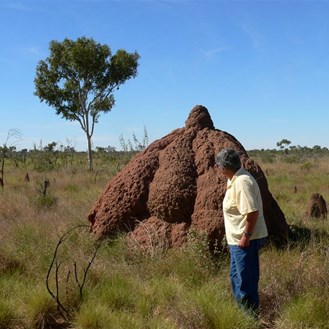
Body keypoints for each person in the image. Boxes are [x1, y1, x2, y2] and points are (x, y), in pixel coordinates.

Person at [215, 148, 268, 316]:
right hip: (237, 241)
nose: (217, 168)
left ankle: (251, 319)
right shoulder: (234, 180)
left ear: (224, 167)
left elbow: (252, 212)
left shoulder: (242, 182)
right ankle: (243, 315)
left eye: (218, 165)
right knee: (236, 278)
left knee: (246, 282)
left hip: (245, 240)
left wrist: (246, 236)